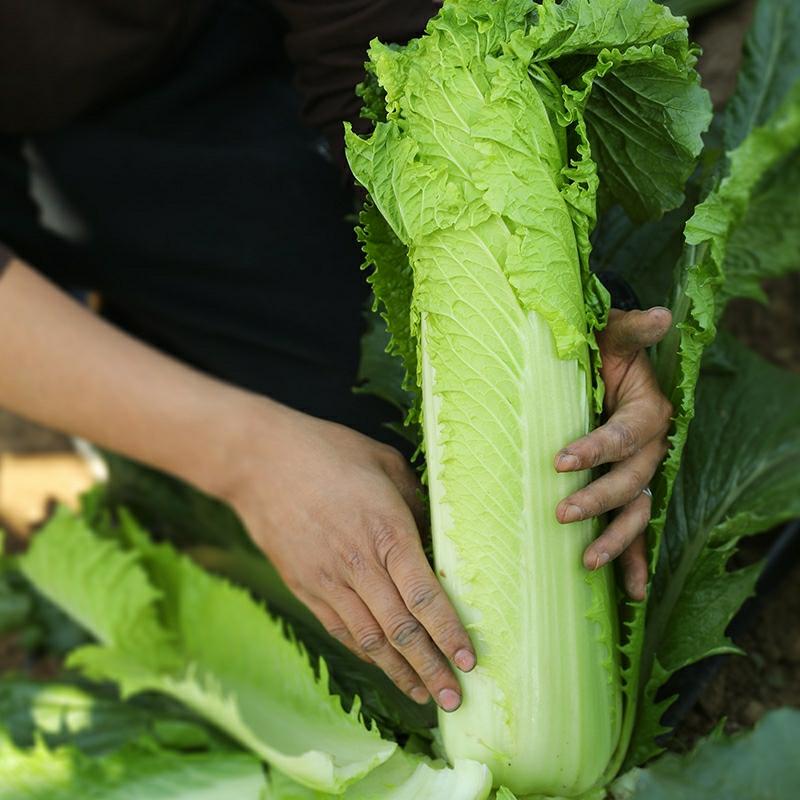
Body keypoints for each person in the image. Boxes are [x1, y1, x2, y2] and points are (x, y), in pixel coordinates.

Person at [0, 1, 672, 713]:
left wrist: (555, 317)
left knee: (411, 455)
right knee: (333, 504)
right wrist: (247, 459)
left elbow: (380, 32)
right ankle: (96, 329)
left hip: (198, 50)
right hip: (32, 125)